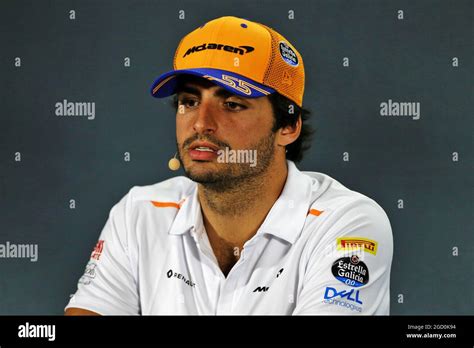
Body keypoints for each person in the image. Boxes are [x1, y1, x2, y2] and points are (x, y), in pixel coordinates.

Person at [65, 16, 393, 315]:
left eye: (233, 104)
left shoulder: (348, 224)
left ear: (288, 127)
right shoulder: (139, 212)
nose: (200, 124)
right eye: (189, 102)